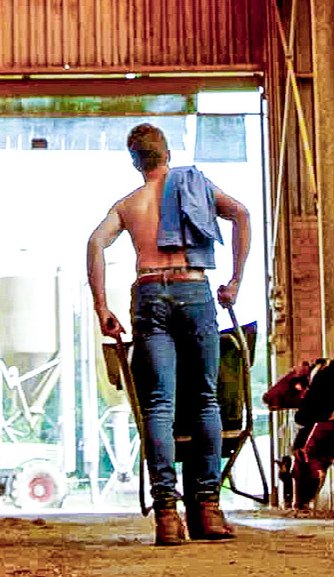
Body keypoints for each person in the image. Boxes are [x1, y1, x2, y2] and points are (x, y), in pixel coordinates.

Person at [87, 123, 251, 546]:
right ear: (167, 154)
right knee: (205, 399)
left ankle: (166, 516)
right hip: (193, 287)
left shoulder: (128, 204)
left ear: (135, 161)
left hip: (147, 292)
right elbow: (242, 214)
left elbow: (94, 244)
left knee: (159, 405)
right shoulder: (197, 184)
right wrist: (234, 281)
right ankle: (208, 510)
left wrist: (101, 306)